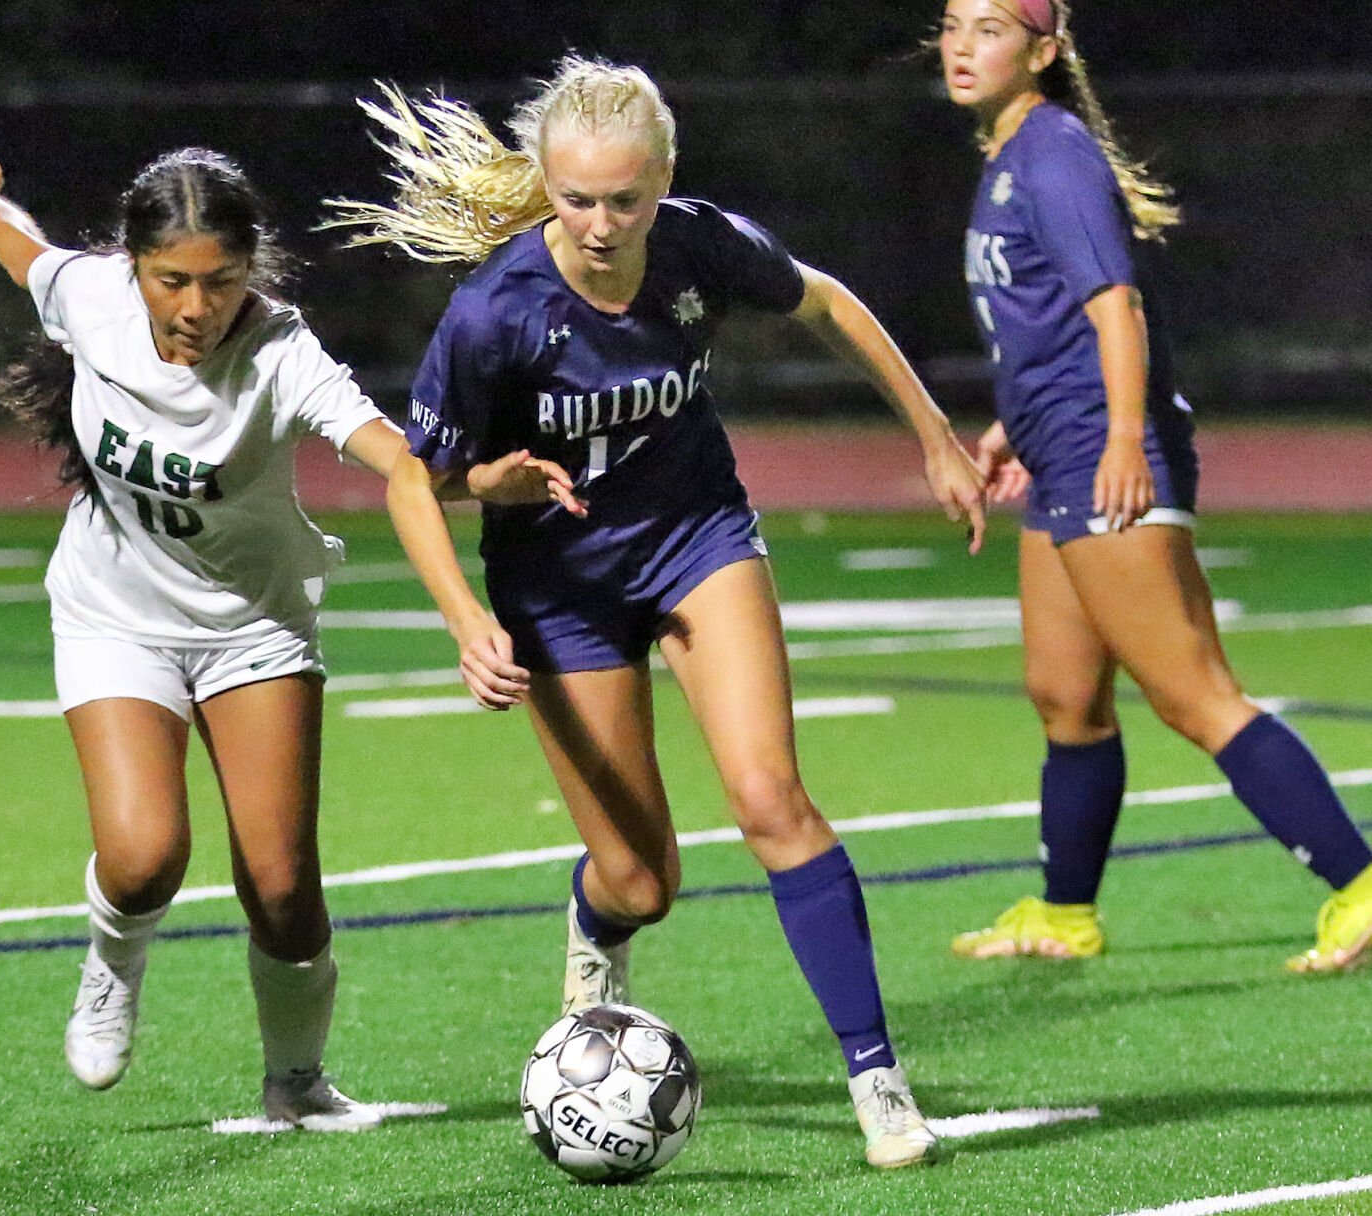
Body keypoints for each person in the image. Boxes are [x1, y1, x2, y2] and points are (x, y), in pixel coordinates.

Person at [324, 56, 990, 1168]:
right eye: (575, 198)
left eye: (623, 199)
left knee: (771, 798)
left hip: (697, 541)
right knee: (642, 879)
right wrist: (466, 607)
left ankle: (876, 1080)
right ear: (545, 183)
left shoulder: (694, 243)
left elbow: (824, 300)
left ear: (662, 179)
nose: (597, 223)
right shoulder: (494, 310)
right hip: (558, 591)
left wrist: (930, 433)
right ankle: (596, 927)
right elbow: (412, 475)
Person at [0, 141, 409, 1129]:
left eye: (221, 280)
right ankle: (112, 964)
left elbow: (384, 449)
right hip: (116, 618)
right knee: (144, 854)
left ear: (251, 268)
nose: (197, 307)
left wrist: (470, 478)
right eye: (172, 281)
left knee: (281, 884)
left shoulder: (277, 350)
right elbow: (20, 247)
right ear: (133, 266)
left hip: (254, 627)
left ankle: (296, 1081)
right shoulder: (91, 296)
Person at [937, 0, 1372, 971]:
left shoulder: (1048, 152)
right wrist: (1017, 425)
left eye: (988, 30)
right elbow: (1052, 319)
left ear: (1042, 52)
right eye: (951, 25)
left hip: (1104, 449)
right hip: (1061, 450)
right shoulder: (1008, 154)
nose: (962, 47)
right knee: (1063, 698)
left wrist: (1122, 440)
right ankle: (1064, 913)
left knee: (1192, 693)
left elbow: (1113, 306)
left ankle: (1360, 881)